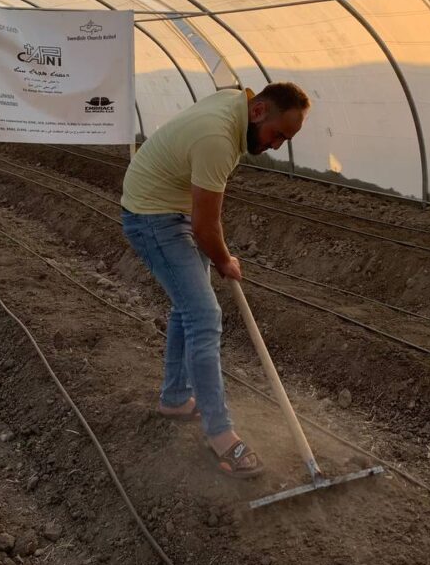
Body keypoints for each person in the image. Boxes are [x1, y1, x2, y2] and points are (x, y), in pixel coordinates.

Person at [121, 83, 311, 478]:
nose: (276, 146)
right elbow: (206, 227)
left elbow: (204, 220)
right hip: (152, 217)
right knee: (204, 316)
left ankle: (176, 398)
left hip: (171, 206)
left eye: (286, 140)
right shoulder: (217, 138)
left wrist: (218, 253)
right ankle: (220, 433)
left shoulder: (238, 104)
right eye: (277, 135)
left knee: (189, 308)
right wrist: (224, 260)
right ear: (258, 112)